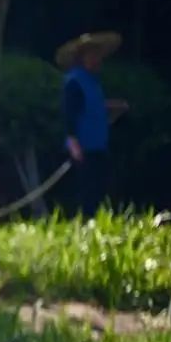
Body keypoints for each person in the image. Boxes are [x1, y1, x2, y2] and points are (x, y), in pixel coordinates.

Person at [56, 32, 129, 217]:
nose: (96, 59)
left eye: (98, 55)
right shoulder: (74, 81)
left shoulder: (93, 81)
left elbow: (92, 106)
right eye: (92, 54)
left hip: (98, 146)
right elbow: (70, 113)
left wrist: (114, 107)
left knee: (99, 191)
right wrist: (73, 144)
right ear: (82, 57)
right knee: (85, 195)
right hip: (82, 148)